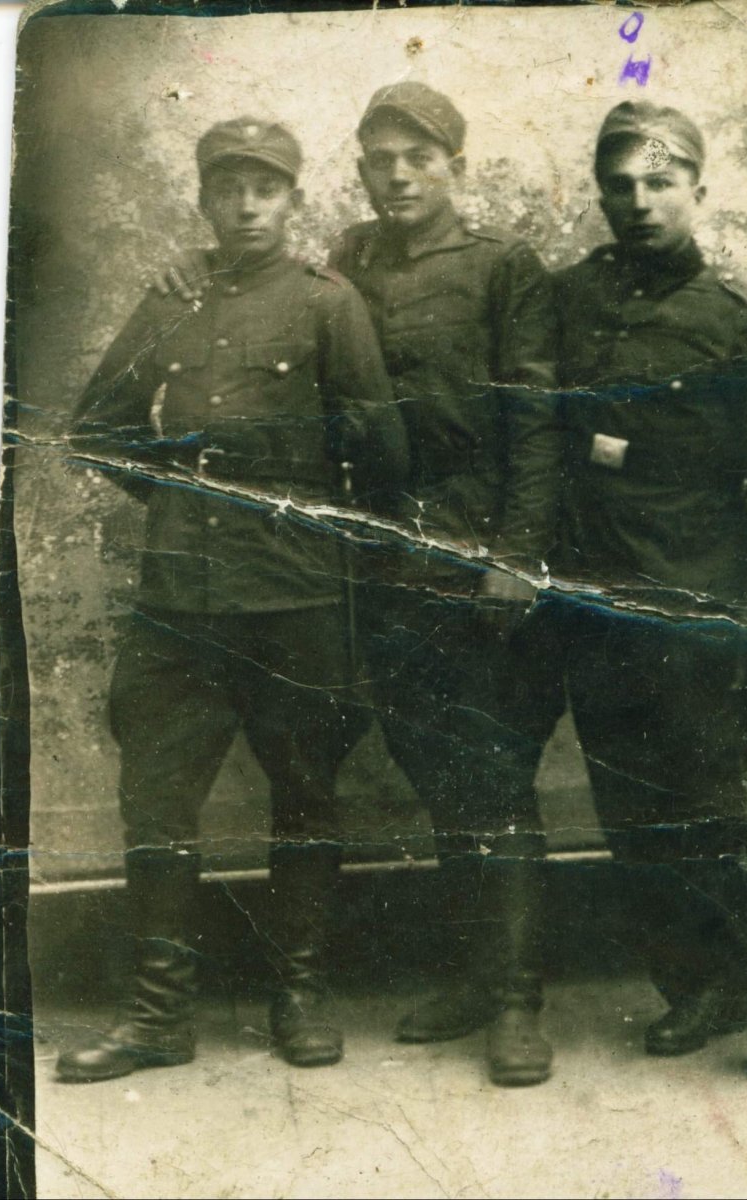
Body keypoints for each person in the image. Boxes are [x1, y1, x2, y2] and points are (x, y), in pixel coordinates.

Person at [155, 84, 561, 1089]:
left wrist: (515, 554)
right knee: (431, 768)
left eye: (419, 158)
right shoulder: (347, 258)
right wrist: (189, 266)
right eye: (380, 159)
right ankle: (474, 980)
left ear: (457, 167)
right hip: (371, 559)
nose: (398, 177)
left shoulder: (502, 267)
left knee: (492, 772)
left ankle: (517, 1002)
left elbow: (536, 420)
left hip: (471, 548)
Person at [56, 117, 408, 1083]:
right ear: (205, 199)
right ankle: (158, 1016)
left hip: (296, 596)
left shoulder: (328, 302)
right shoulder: (171, 297)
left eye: (266, 188)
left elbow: (381, 450)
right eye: (229, 188)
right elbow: (97, 427)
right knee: (156, 799)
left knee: (306, 793)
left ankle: (300, 996)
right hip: (180, 601)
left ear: (294, 199)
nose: (247, 206)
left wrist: (304, 521)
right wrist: (177, 497)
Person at [550, 100, 747, 1092]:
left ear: (697, 191)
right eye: (620, 185)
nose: (638, 201)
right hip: (598, 612)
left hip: (704, 611)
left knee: (735, 821)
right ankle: (697, 988)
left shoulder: (741, 315)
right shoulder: (569, 301)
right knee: (634, 819)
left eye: (659, 182)